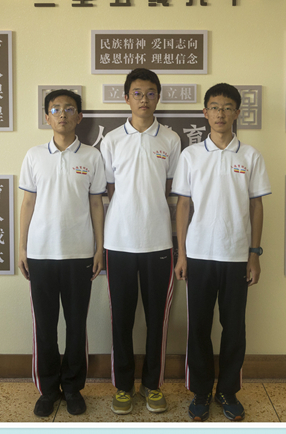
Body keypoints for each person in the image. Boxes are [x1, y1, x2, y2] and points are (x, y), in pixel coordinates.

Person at [172, 83, 272, 422]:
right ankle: (201, 391)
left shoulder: (250, 156)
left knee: (234, 329)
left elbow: (256, 206)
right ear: (205, 113)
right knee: (199, 327)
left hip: (236, 256)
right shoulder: (191, 155)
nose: (220, 113)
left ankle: (228, 391)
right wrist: (182, 254)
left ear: (237, 113)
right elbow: (183, 205)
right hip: (199, 255)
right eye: (214, 107)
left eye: (228, 107)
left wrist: (254, 254)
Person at [18, 89, 107, 418]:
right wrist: (22, 247)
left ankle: (72, 387)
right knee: (44, 326)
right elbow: (28, 202)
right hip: (40, 254)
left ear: (79, 117)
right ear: (47, 117)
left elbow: (96, 204)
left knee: (75, 326)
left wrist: (99, 248)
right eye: (55, 109)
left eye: (69, 109)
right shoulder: (34, 156)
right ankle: (48, 389)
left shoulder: (92, 157)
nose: (62, 114)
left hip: (79, 254)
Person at [101, 68, 182, 414]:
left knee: (156, 320)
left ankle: (152, 385)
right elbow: (108, 188)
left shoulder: (171, 139)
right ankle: (123, 387)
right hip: (119, 242)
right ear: (126, 98)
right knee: (121, 319)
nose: (144, 99)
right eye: (137, 93)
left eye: (150, 93)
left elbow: (171, 187)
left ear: (158, 97)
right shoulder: (111, 140)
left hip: (158, 242)